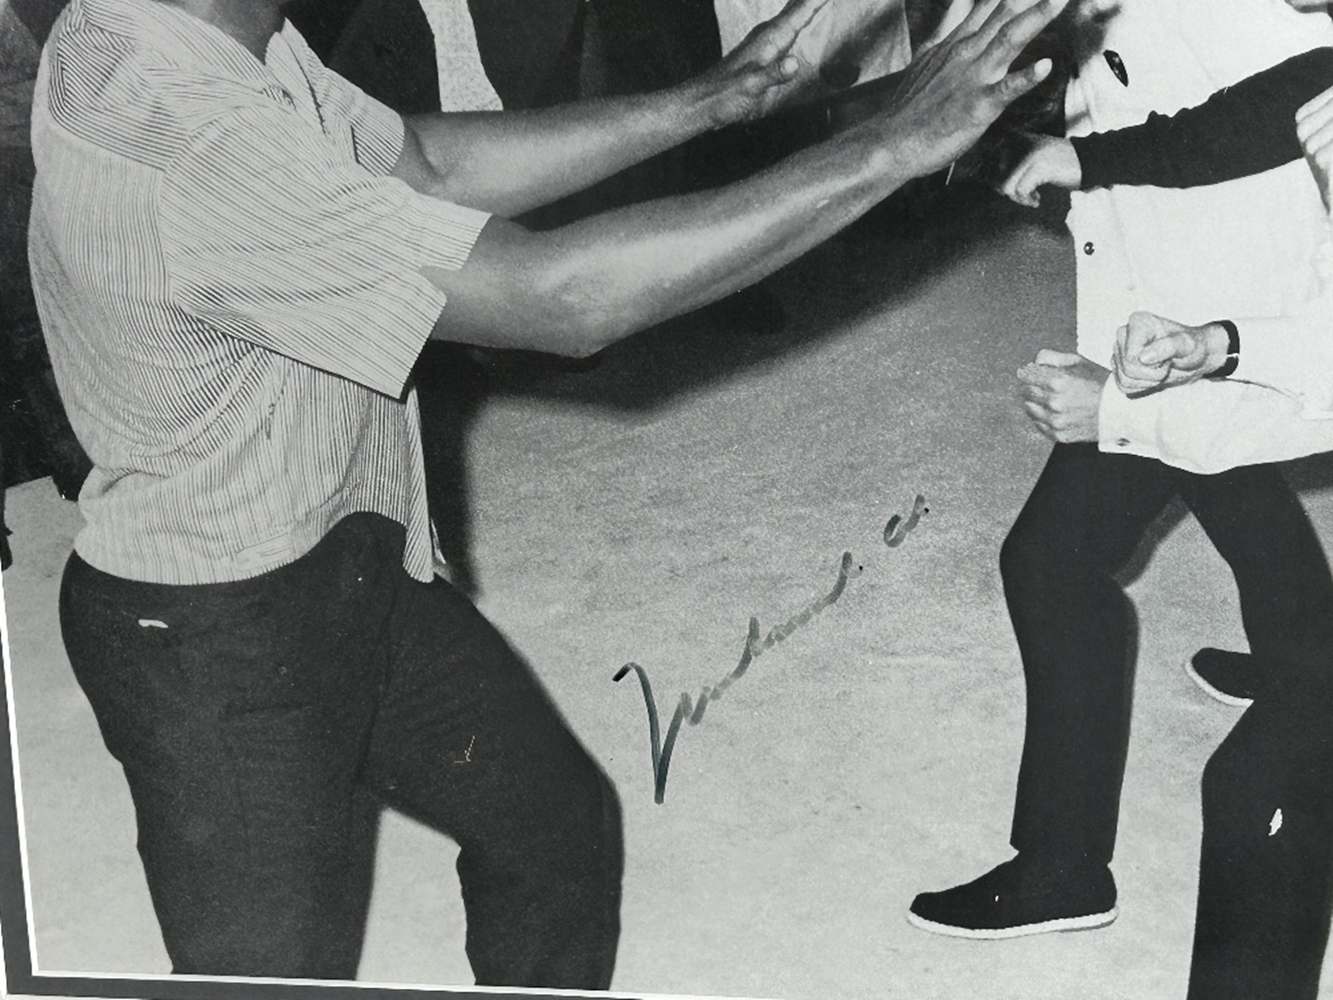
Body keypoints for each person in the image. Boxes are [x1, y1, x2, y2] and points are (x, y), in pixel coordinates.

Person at [30, 0, 1066, 984]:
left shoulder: (207, 27)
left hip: (349, 557)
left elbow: (424, 168)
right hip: (212, 641)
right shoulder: (183, 136)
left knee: (557, 834)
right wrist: (885, 148)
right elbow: (562, 297)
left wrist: (707, 99)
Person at [907, 2, 1333, 997]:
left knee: (1263, 783)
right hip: (1201, 328)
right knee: (1059, 557)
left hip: (1246, 333)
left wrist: (1087, 166)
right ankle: (1064, 861)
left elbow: (1274, 94)